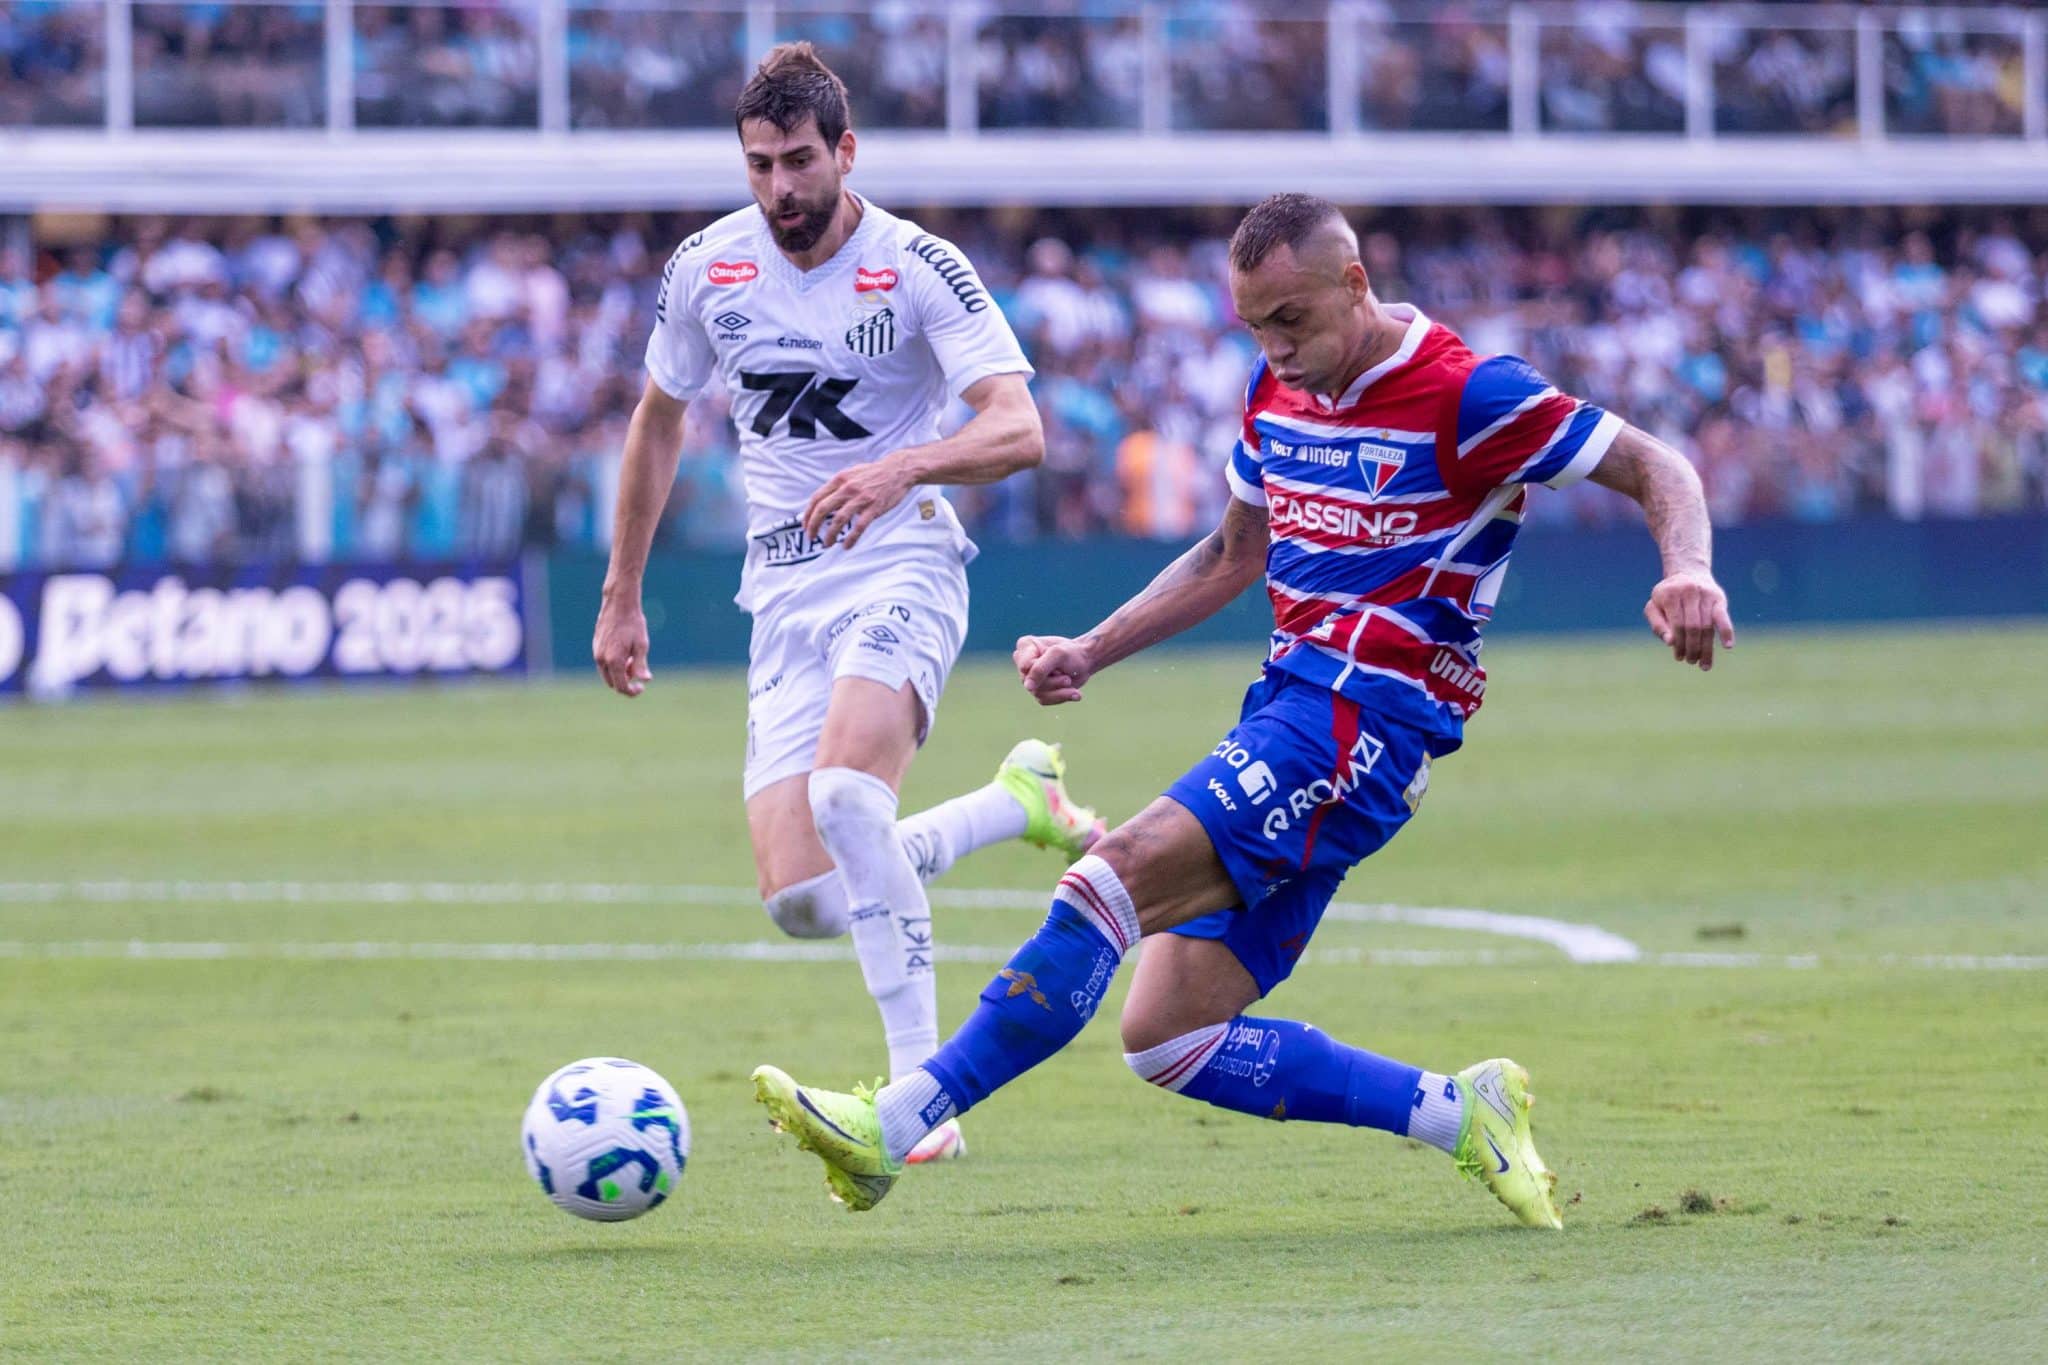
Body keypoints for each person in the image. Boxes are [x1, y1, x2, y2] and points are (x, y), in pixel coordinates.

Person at [753, 193, 1736, 1225]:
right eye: (1254, 326)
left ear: (1353, 285)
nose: (1275, 348)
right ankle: (1460, 1114)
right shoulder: (1276, 387)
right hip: (1291, 710)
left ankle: (893, 1126)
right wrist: (1094, 647)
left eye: (1291, 321)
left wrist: (1690, 572)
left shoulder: (1467, 394)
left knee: (1109, 877)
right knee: (1169, 1036)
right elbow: (1232, 552)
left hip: (1366, 720)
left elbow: (1652, 465)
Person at [592, 43, 1104, 1165]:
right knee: (802, 900)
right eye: (759, 165)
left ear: (845, 151)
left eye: (798, 162)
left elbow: (1017, 429)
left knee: (842, 792)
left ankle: (923, 1102)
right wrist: (621, 592)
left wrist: (902, 469)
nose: (779, 188)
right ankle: (1013, 802)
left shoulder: (916, 265)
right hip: (781, 591)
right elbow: (657, 419)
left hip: (903, 560)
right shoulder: (705, 269)